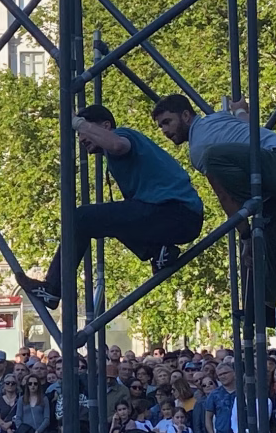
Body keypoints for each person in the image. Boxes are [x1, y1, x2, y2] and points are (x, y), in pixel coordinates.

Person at [17, 104, 204, 308]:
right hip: (178, 216)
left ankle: (53, 287)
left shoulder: (121, 134)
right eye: (78, 135)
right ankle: (160, 251)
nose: (81, 139)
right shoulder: (124, 159)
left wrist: (77, 122)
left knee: (81, 218)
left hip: (175, 213)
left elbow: (117, 145)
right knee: (110, 217)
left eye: (84, 132)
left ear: (106, 126)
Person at [151, 94, 276, 318]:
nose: (165, 131)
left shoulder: (199, 148)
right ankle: (265, 310)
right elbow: (248, 126)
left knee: (213, 157)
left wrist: (244, 233)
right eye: (160, 126)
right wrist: (239, 109)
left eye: (167, 122)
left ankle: (258, 198)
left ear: (186, 115)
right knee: (271, 248)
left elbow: (225, 196)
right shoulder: (219, 118)